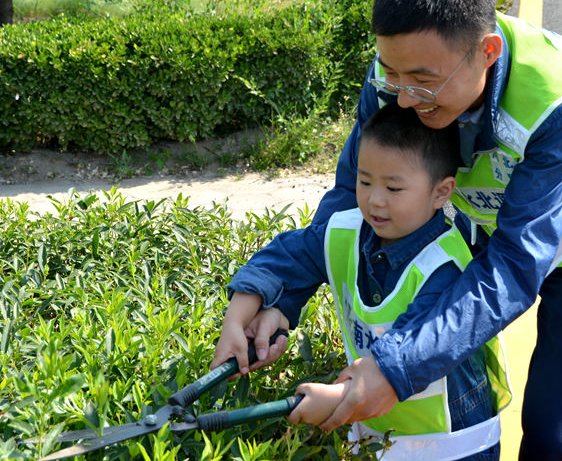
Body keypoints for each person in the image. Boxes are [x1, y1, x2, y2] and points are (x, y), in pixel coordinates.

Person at [217, 0, 562, 461]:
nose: (403, 100)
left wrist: (391, 372)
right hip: (493, 216)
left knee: (554, 431)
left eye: (423, 82)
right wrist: (278, 296)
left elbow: (515, 266)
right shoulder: (402, 71)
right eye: (390, 74)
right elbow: (348, 205)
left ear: (487, 52)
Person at [214, 102, 511, 461]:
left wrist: (336, 400)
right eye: (365, 180)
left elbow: (413, 344)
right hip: (380, 436)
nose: (374, 200)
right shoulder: (346, 231)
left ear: (441, 192)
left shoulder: (446, 266)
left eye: (394, 188)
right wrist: (236, 319)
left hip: (456, 445)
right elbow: (286, 257)